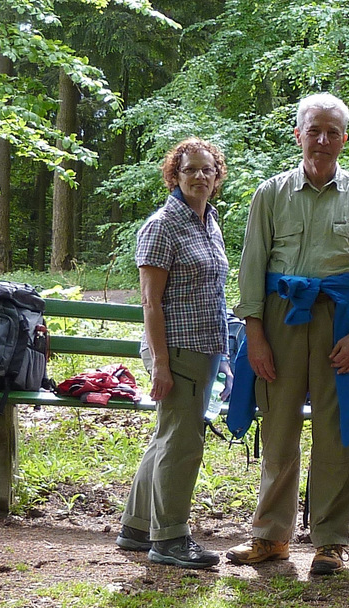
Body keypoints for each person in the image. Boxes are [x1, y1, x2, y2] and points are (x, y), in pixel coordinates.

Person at [225, 93, 349, 575]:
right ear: (298, 135)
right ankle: (271, 536)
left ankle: (330, 541)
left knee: (337, 432)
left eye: (332, 132)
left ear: (344, 139)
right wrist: (255, 334)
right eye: (313, 130)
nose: (322, 140)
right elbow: (252, 265)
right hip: (281, 319)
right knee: (278, 428)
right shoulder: (271, 193)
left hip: (340, 321)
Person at [115, 137, 232, 569]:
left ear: (216, 176)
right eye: (190, 169)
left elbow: (212, 292)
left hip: (203, 348)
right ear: (174, 175)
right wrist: (161, 365)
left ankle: (137, 527)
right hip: (176, 349)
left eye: (207, 169)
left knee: (168, 436)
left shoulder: (209, 221)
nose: (199, 176)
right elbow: (150, 303)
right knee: (183, 443)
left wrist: (222, 355)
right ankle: (170, 539)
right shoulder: (162, 225)